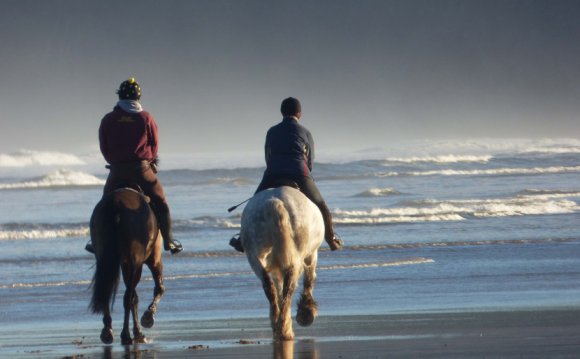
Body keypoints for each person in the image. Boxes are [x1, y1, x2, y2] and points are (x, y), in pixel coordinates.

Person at [230, 97, 343, 252]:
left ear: (282, 112)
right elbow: (310, 161)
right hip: (299, 172)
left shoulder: (271, 131)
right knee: (321, 205)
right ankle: (331, 240)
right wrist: (307, 174)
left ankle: (242, 239)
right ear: (299, 113)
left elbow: (267, 157)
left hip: (273, 172)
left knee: (252, 204)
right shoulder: (305, 132)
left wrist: (273, 170)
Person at [85, 78, 183, 254]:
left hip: (117, 171)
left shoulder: (108, 118)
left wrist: (114, 161)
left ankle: (95, 241)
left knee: (104, 202)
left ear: (120, 95)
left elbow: (104, 147)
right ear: (138, 96)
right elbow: (154, 144)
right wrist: (148, 159)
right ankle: (169, 241)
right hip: (141, 170)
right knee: (160, 200)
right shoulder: (145, 117)